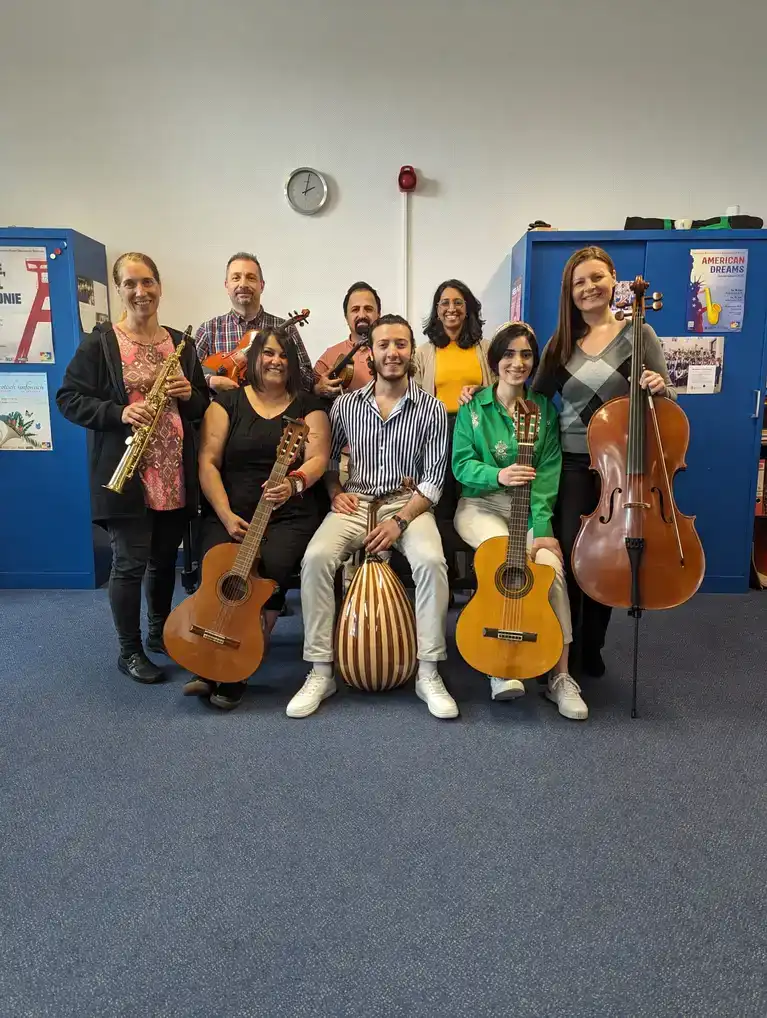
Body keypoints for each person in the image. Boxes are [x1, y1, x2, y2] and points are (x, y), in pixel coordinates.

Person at [288, 314, 458, 721]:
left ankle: (429, 672)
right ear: (371, 352)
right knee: (315, 559)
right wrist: (335, 493)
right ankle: (321, 671)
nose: (392, 352)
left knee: (432, 562)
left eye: (400, 344)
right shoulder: (346, 405)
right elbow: (329, 461)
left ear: (411, 351)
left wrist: (400, 521)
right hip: (356, 501)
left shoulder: (432, 409)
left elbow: (434, 480)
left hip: (407, 504)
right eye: (384, 345)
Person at [56, 252, 209, 683]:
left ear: (159, 285)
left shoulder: (180, 343)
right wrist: (119, 412)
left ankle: (158, 633)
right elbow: (68, 399)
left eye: (147, 282)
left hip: (173, 473)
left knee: (164, 561)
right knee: (129, 563)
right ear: (119, 289)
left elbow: (200, 404)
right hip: (128, 473)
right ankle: (130, 651)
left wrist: (189, 394)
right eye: (130, 284)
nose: (141, 292)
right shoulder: (101, 343)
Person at [532, 246, 675, 679]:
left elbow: (666, 399)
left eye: (597, 278)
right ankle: (564, 645)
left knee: (609, 556)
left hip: (622, 465)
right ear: (569, 292)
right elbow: (533, 397)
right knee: (573, 555)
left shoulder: (640, 334)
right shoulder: (561, 344)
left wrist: (660, 386)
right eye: (579, 282)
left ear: (614, 279)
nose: (589, 288)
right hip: (573, 462)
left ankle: (592, 644)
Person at [185, 326, 330, 709]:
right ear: (254, 359)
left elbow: (318, 458)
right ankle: (209, 655)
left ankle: (238, 666)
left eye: (283, 355)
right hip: (231, 511)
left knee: (265, 572)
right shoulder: (226, 403)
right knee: (218, 565)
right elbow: (208, 462)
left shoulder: (309, 406)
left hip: (288, 515)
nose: (276, 361)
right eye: (268, 353)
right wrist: (225, 514)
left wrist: (294, 483)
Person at [452, 322, 587, 719]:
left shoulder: (544, 410)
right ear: (495, 360)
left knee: (549, 569)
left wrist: (542, 532)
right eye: (509, 354)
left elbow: (547, 477)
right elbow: (461, 464)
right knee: (500, 558)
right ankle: (498, 665)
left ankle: (560, 676)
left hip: (528, 509)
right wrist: (499, 475)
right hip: (480, 505)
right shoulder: (474, 407)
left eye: (526, 354)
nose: (517, 362)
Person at [414, 280, 495, 544]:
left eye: (458, 302)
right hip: (440, 430)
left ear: (468, 308)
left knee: (474, 498)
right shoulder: (423, 353)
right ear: (437, 310)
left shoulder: (486, 348)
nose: (452, 308)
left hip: (477, 429)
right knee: (443, 498)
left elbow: (500, 391)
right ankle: (447, 561)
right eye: (445, 303)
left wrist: (481, 391)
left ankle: (477, 560)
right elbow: (415, 397)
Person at [194, 251, 313, 393]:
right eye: (236, 278)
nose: (243, 284)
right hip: (221, 405)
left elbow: (308, 380)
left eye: (251, 278)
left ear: (261, 285)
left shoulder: (286, 329)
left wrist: (278, 367)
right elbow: (189, 376)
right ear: (227, 285)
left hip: (272, 404)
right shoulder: (209, 329)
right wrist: (211, 380)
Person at [312, 282, 380, 399]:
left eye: (368, 309)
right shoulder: (329, 356)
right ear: (346, 317)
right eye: (355, 309)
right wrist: (318, 389)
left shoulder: (391, 352)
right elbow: (306, 392)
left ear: (378, 314)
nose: (362, 315)